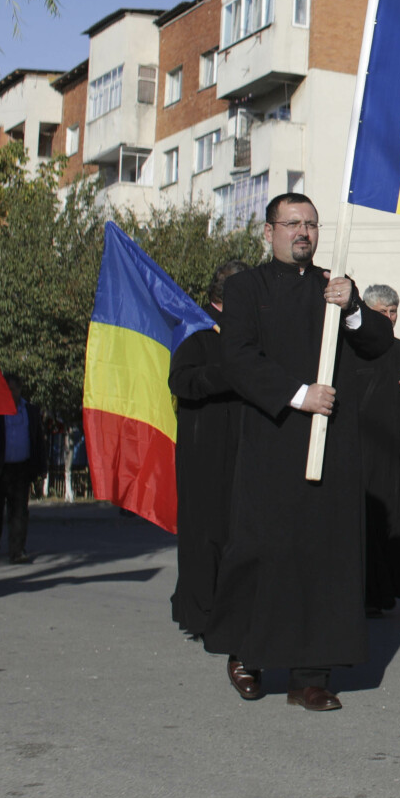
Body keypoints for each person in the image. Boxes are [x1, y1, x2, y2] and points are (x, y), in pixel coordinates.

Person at [206, 193, 393, 710]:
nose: (303, 233)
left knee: (324, 556)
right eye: (292, 224)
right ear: (269, 233)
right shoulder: (247, 288)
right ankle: (247, 653)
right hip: (274, 438)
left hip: (331, 445)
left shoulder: (334, 288)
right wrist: (298, 394)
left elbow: (378, 342)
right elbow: (239, 358)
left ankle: (312, 675)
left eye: (310, 224)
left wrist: (353, 308)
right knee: (264, 551)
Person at [167, 259, 248, 638]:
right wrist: (224, 374)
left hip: (246, 444)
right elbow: (181, 380)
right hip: (206, 448)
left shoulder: (250, 331)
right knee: (205, 535)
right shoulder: (195, 328)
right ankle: (202, 613)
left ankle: (237, 609)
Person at [345, 283, 400, 617]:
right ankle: (364, 593)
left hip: (398, 453)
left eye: (393, 312)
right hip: (358, 451)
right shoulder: (349, 350)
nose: (389, 318)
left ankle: (386, 590)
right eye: (382, 312)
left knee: (399, 520)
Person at [0, 376, 42, 563]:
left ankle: (17, 550)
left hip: (21, 468)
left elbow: (38, 440)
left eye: (12, 389)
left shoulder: (30, 411)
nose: (8, 393)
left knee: (19, 512)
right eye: (5, 389)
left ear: (19, 389)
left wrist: (40, 467)